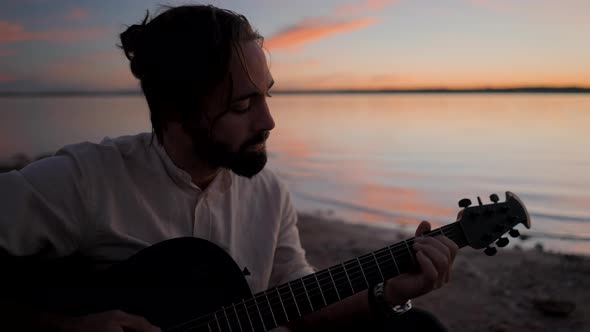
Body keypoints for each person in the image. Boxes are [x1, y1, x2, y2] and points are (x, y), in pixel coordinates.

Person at [0, 4, 457, 332]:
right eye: (243, 104)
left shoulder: (270, 195)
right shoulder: (86, 178)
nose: (269, 121)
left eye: (267, 95)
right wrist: (60, 324)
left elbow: (295, 300)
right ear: (178, 110)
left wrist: (388, 290)